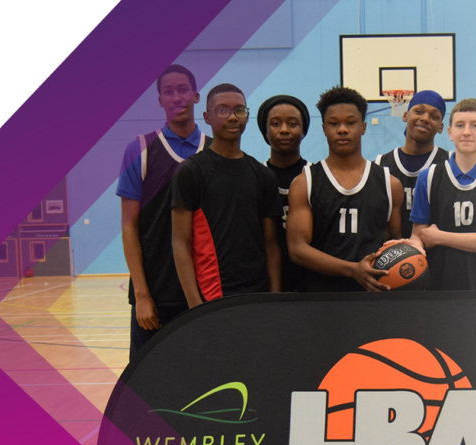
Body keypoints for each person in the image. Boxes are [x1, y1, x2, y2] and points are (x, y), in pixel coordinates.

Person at [117, 64, 209, 360]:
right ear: (159, 100)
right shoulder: (140, 149)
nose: (176, 97)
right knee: (148, 385)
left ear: (196, 96)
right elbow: (130, 226)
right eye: (168, 92)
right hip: (156, 293)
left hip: (202, 290)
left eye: (182, 90)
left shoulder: (214, 150)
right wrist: (142, 295)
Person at [171, 83, 282, 307]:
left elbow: (271, 244)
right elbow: (180, 242)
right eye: (223, 110)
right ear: (207, 116)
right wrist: (195, 304)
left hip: (257, 298)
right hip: (210, 300)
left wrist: (274, 298)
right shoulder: (191, 173)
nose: (233, 117)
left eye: (240, 110)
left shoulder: (263, 176)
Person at [287, 86, 404, 292]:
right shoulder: (305, 182)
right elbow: (297, 249)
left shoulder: (389, 183)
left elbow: (394, 244)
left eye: (350, 122)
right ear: (324, 128)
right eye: (334, 123)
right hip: (322, 297)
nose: (342, 129)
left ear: (363, 127)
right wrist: (352, 270)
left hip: (374, 296)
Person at [408, 98, 476, 290]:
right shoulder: (429, 176)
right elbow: (419, 235)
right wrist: (411, 246)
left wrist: (440, 237)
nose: (466, 132)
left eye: (475, 125)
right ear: (450, 133)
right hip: (440, 283)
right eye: (459, 125)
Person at [374, 90, 449, 239]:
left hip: (437, 254)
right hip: (393, 253)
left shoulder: (449, 162)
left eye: (434, 116)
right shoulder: (381, 164)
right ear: (405, 115)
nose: (425, 119)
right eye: (419, 111)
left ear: (441, 127)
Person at [257, 95, 311, 291]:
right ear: (265, 131)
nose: (284, 130)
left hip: (310, 282)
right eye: (275, 123)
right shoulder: (255, 177)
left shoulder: (317, 177)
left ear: (304, 130)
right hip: (264, 285)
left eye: (293, 123)